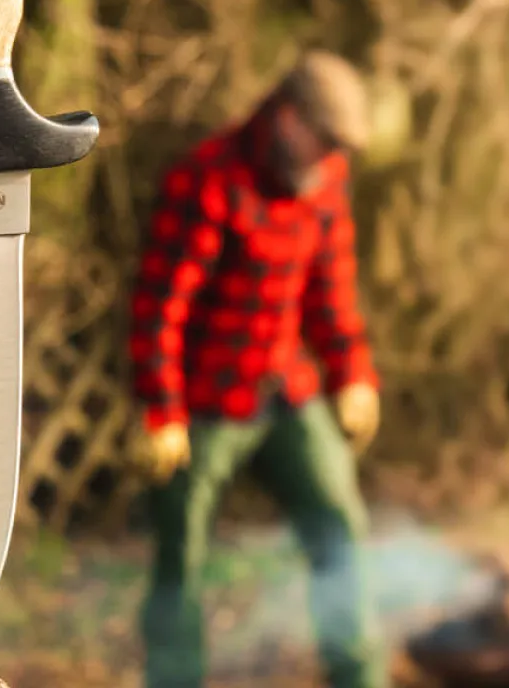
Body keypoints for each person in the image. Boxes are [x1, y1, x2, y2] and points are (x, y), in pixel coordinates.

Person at [128, 49, 388, 688]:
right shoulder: (209, 181)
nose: (335, 157)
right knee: (182, 560)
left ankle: (360, 676)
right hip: (205, 404)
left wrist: (353, 373)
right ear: (289, 119)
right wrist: (161, 410)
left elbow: (330, 293)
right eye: (327, 140)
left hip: (286, 392)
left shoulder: (324, 182)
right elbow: (161, 306)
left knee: (341, 528)